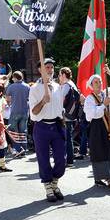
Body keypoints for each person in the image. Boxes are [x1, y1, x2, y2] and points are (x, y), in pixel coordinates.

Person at [29, 58, 67, 202]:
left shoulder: (58, 86)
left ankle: (54, 183)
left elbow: (60, 107)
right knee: (43, 158)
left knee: (61, 160)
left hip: (57, 126)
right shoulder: (34, 89)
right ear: (40, 70)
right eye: (47, 67)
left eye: (51, 67)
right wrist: (43, 101)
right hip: (42, 127)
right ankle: (48, 188)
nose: (50, 70)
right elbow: (33, 113)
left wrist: (62, 118)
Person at [84, 65, 110, 190]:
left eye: (100, 81)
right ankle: (108, 178)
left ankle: (106, 176)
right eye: (96, 82)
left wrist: (109, 73)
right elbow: (90, 115)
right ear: (91, 84)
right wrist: (103, 105)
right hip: (97, 127)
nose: (99, 83)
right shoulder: (89, 99)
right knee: (101, 152)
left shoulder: (106, 92)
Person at [5, 71, 29, 157]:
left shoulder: (11, 86)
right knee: (23, 131)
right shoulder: (27, 86)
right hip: (25, 111)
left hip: (15, 110)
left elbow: (7, 99)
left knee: (12, 131)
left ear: (15, 77)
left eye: (12, 78)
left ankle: (19, 149)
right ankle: (24, 149)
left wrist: (12, 101)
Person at [60, 67, 80, 167]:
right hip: (71, 114)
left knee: (66, 138)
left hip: (65, 115)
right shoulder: (72, 84)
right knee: (69, 138)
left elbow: (61, 99)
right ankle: (70, 160)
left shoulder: (66, 86)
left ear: (64, 75)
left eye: (60, 75)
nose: (59, 77)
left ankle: (69, 160)